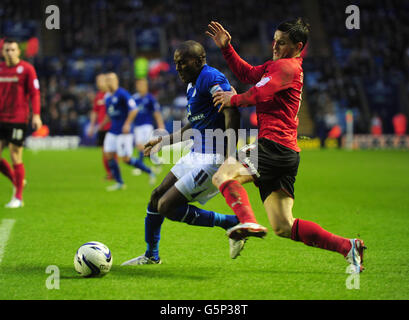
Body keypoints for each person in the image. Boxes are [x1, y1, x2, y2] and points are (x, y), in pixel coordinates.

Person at [206, 19, 366, 273]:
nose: (275, 46)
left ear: (298, 46)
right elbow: (248, 75)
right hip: (287, 152)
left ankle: (247, 223)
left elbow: (259, 94)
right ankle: (348, 247)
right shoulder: (276, 66)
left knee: (223, 175)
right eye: (274, 40)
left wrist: (232, 99)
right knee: (283, 226)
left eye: (282, 42)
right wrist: (227, 48)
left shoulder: (288, 68)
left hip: (273, 146)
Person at [121, 40, 242, 265]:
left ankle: (230, 222)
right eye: (176, 63)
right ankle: (150, 256)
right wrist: (164, 141)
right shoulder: (192, 85)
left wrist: (229, 157)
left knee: (167, 206)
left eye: (182, 63)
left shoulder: (211, 78)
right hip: (196, 153)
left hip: (213, 157)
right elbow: (193, 124)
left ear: (198, 61)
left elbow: (231, 112)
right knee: (156, 197)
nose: (177, 68)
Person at [0, 38, 42, 208]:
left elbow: (35, 93)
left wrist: (36, 115)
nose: (9, 53)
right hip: (0, 118)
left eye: (12, 50)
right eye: (6, 50)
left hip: (17, 118)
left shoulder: (27, 69)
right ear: (2, 52)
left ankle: (18, 197)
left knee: (15, 155)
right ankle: (18, 181)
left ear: (18, 51)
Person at [102, 72, 141, 191]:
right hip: (113, 130)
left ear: (116, 81)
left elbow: (134, 109)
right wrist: (101, 125)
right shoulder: (107, 97)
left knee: (125, 158)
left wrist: (127, 123)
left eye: (111, 79)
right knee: (108, 154)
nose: (109, 82)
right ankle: (119, 182)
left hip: (123, 132)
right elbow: (110, 114)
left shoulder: (123, 94)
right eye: (107, 80)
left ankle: (148, 170)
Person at [131, 78, 165, 178]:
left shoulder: (150, 98)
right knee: (141, 147)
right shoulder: (134, 98)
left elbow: (156, 112)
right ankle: (157, 161)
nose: (140, 86)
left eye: (142, 85)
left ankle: (140, 166)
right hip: (137, 126)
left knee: (142, 146)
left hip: (147, 125)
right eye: (139, 85)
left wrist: (160, 125)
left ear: (146, 86)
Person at [87, 73, 113, 180]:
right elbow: (94, 112)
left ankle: (113, 173)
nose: (98, 83)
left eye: (100, 81)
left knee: (110, 152)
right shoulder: (98, 96)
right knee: (104, 152)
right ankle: (110, 173)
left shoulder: (111, 95)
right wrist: (92, 126)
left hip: (111, 127)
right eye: (97, 81)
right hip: (101, 128)